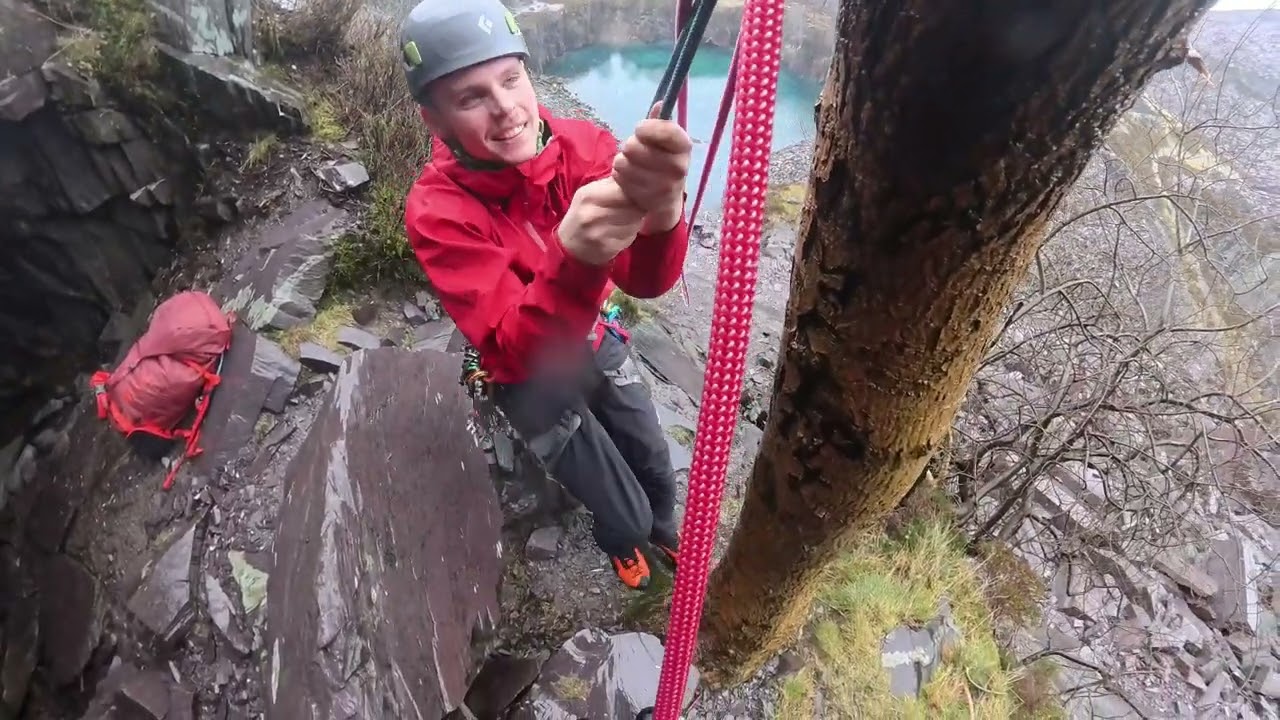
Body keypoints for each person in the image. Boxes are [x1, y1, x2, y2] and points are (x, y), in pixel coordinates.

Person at [399, 0, 694, 590]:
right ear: (437, 122)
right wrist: (576, 260)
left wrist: (663, 215)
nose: (506, 108)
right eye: (471, 97)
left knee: (656, 465)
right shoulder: (436, 212)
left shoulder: (584, 148)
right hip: (524, 373)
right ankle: (624, 538)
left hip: (592, 334)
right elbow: (516, 345)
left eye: (511, 79)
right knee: (622, 507)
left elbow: (644, 280)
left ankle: (662, 527)